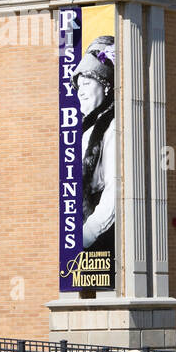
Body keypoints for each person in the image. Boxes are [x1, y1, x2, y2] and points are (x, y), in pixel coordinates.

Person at [73, 35, 116, 254]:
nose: (80, 91)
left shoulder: (113, 128)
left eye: (87, 83)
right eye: (78, 85)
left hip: (97, 242)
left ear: (106, 87)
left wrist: (83, 237)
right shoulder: (84, 129)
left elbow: (113, 193)